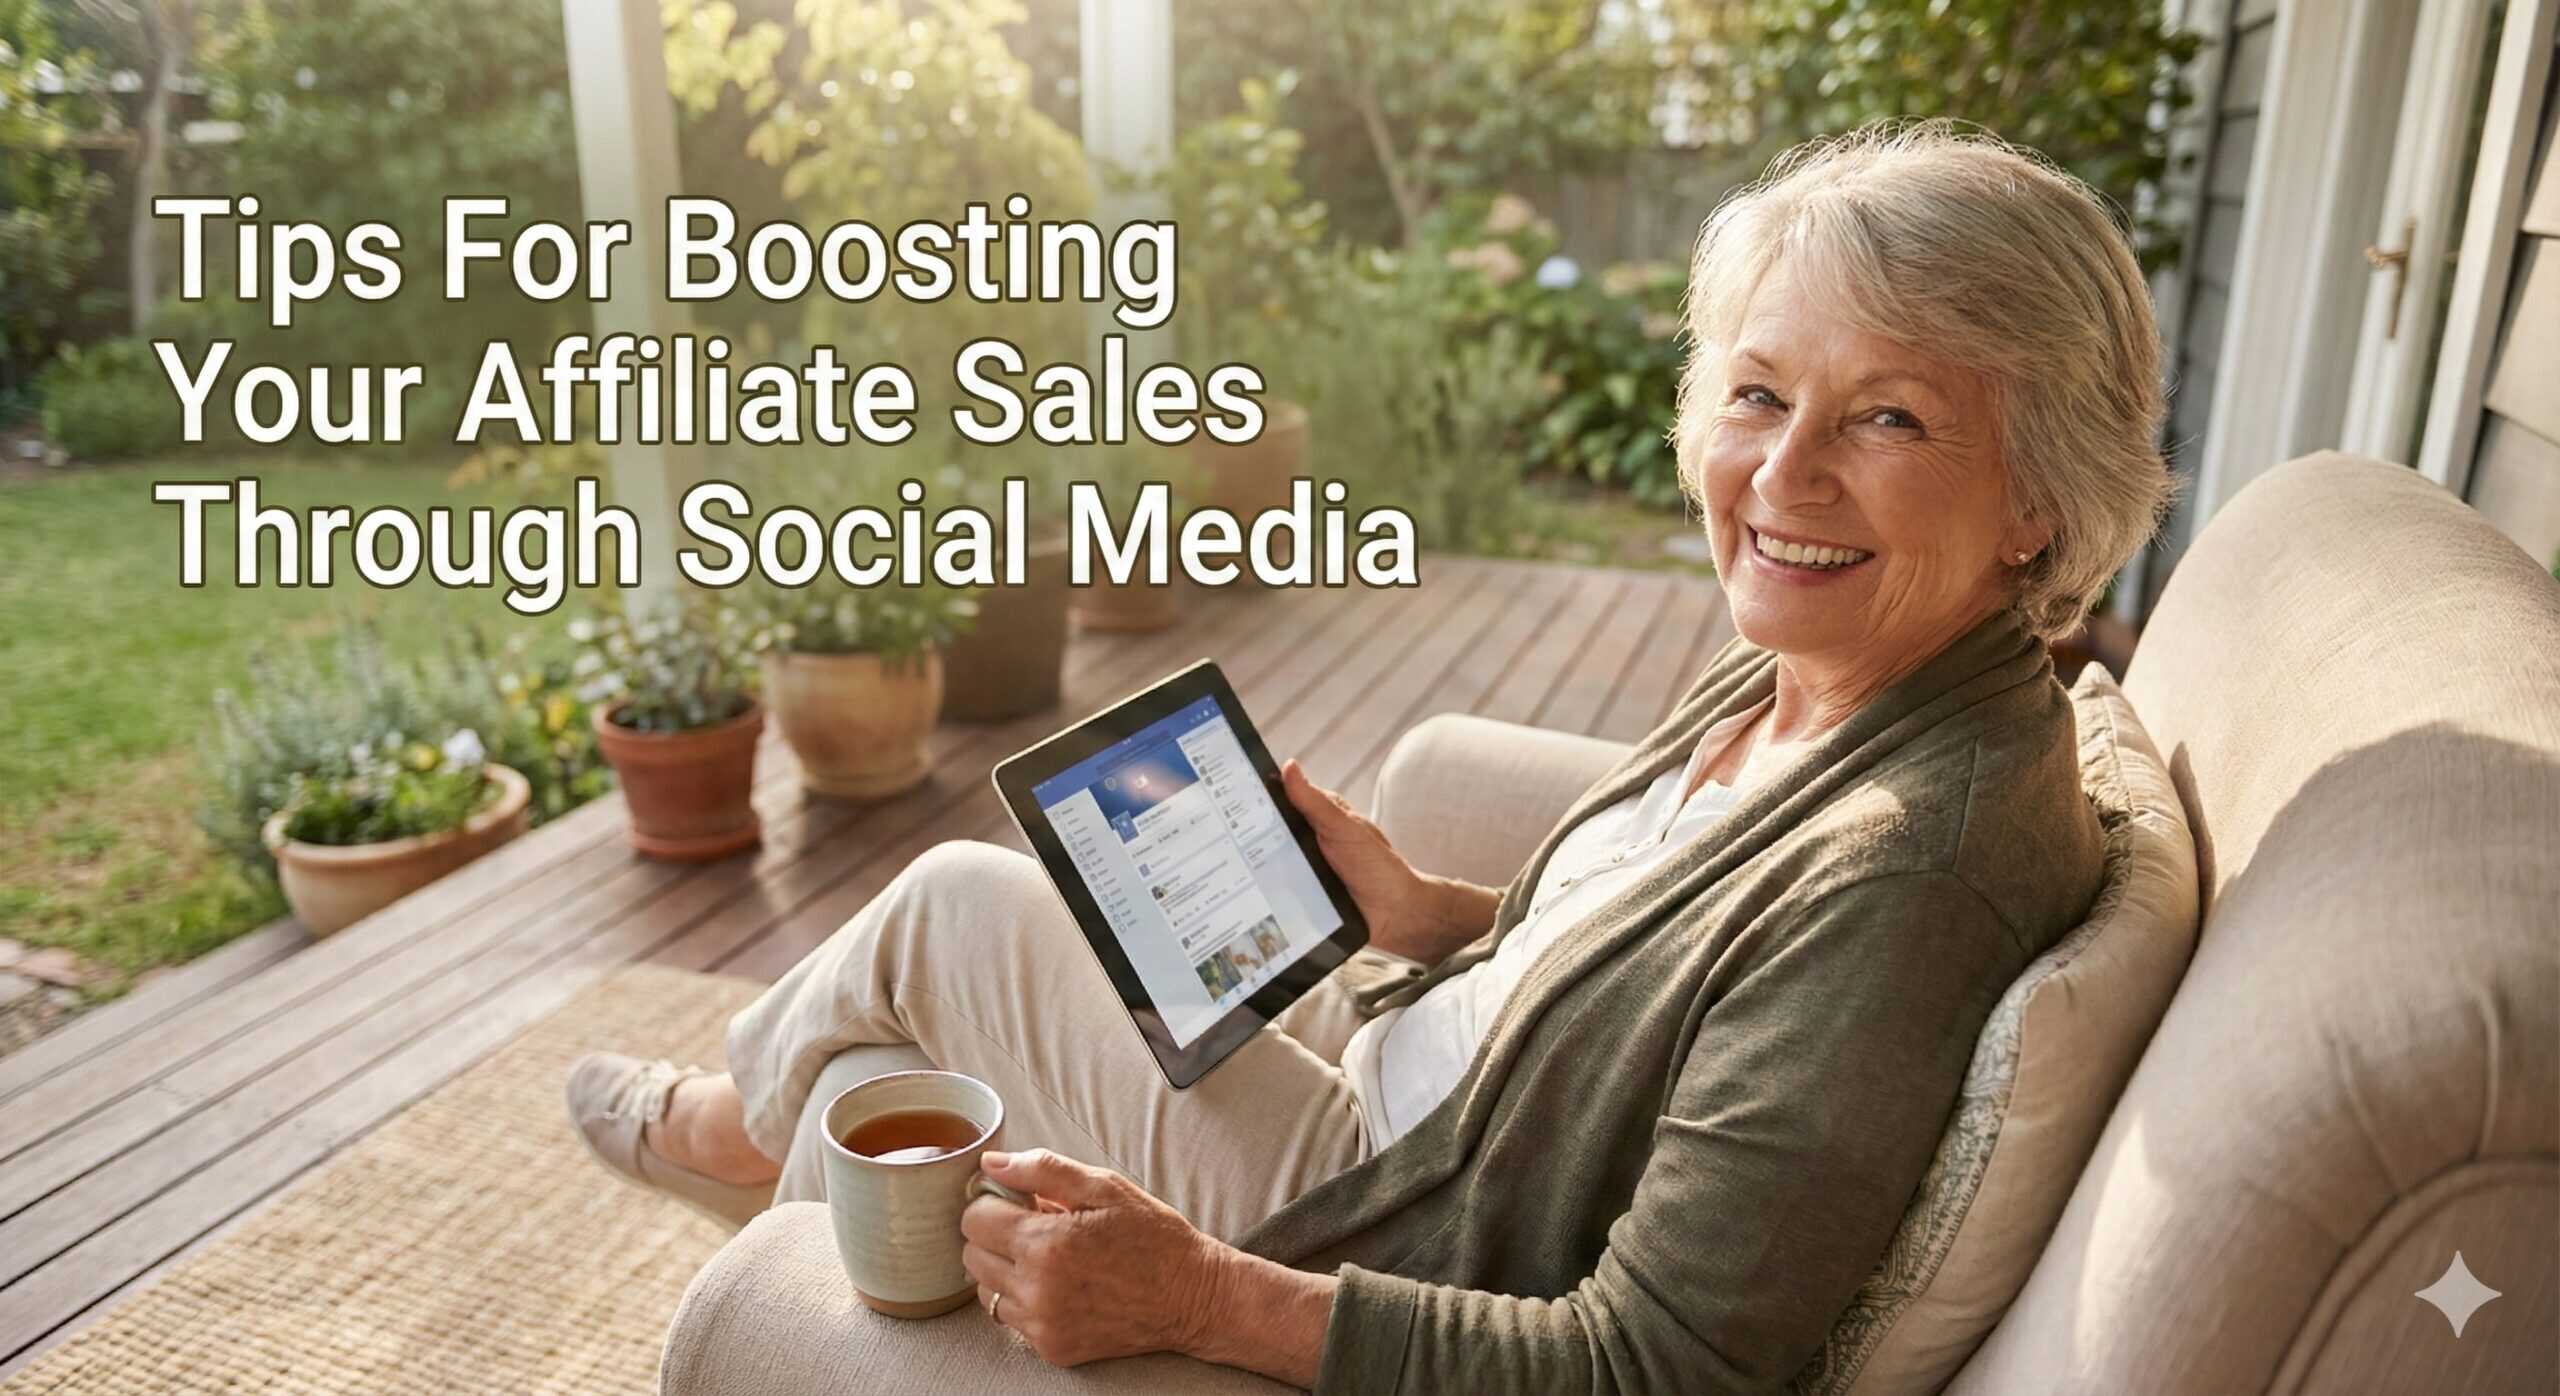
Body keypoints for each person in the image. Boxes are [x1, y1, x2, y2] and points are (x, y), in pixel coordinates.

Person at [567, 121, 2174, 1393]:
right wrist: (1425, 914)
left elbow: (1660, 1363)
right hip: (1413, 1063)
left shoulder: (1913, 861)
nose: (1785, 474)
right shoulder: (1838, 673)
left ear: (2039, 496)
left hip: (1387, 1206)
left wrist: (1197, 1294)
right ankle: (786, 1179)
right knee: (884, 1100)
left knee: (947, 916)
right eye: (1758, 394)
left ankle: (724, 1129)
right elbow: (1676, 996)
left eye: (1889, 419)